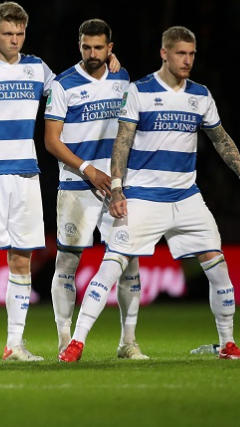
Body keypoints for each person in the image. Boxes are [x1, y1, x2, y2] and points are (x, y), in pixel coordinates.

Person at [59, 26, 240, 362]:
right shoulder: (140, 91)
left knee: (218, 267)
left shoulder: (200, 95)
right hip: (144, 197)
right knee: (112, 267)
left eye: (192, 54)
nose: (187, 60)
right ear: (164, 54)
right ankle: (76, 343)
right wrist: (117, 188)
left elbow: (221, 139)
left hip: (186, 198)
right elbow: (122, 142)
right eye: (181, 53)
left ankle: (227, 344)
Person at [43, 19, 148, 359]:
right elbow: (51, 141)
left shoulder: (122, 78)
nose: (92, 53)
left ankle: (128, 342)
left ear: (109, 48)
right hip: (78, 185)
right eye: (86, 47)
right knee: (67, 262)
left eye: (99, 47)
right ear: (79, 46)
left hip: (116, 186)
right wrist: (88, 169)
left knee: (129, 262)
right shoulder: (64, 84)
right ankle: (64, 339)